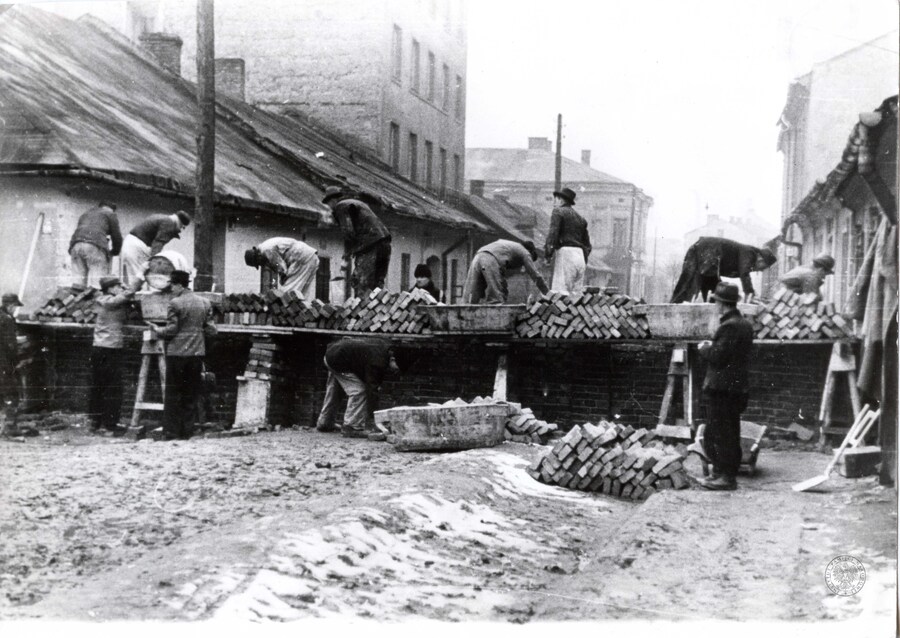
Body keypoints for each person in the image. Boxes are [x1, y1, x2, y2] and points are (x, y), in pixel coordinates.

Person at [696, 282, 754, 491]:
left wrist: (704, 349)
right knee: (725, 431)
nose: (715, 306)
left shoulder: (730, 326)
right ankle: (720, 473)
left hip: (723, 389)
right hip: (734, 389)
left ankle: (726, 477)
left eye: (716, 302)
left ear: (722, 304)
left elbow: (719, 357)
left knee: (723, 433)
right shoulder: (743, 323)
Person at [148, 270, 216, 440]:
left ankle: (171, 432)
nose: (171, 289)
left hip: (177, 353)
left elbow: (171, 330)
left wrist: (158, 330)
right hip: (196, 353)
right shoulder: (205, 302)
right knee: (190, 394)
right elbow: (211, 330)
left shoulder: (175, 303)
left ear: (179, 284)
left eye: (172, 285)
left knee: (173, 394)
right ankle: (187, 432)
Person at [89, 276, 142, 436]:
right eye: (118, 285)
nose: (121, 288)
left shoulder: (109, 301)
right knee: (113, 387)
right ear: (110, 289)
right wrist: (138, 277)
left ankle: (96, 423)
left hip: (100, 348)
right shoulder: (107, 301)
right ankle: (109, 425)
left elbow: (128, 305)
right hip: (109, 349)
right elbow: (128, 293)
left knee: (99, 386)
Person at [316, 337, 399, 438]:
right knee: (359, 391)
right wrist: (375, 417)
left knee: (335, 390)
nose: (393, 371)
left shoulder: (383, 346)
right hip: (338, 360)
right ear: (393, 359)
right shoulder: (378, 361)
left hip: (332, 354)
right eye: (396, 369)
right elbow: (371, 388)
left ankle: (325, 422)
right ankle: (351, 427)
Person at [322, 186, 392, 297]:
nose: (330, 208)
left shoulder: (340, 206)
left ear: (332, 200)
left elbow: (348, 232)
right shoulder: (356, 203)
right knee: (377, 285)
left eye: (328, 204)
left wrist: (347, 254)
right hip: (385, 243)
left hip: (370, 245)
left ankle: (360, 313)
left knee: (360, 283)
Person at [670, 237, 776, 303]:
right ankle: (677, 305)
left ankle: (677, 303)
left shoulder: (748, 253)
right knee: (694, 281)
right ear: (761, 259)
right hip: (708, 252)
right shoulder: (749, 253)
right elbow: (744, 274)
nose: (760, 271)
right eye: (762, 268)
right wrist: (750, 293)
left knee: (693, 281)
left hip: (704, 251)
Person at [463, 239, 549, 304]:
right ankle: (496, 325)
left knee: (472, 295)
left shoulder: (510, 247)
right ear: (531, 252)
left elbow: (501, 277)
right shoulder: (525, 253)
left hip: (478, 256)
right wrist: (548, 293)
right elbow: (535, 275)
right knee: (495, 299)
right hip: (490, 259)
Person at [121, 210, 192, 284]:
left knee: (139, 276)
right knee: (138, 277)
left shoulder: (163, 218)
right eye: (182, 227)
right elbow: (158, 244)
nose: (181, 230)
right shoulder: (169, 223)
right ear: (179, 222)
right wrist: (155, 262)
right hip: (136, 248)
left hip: (132, 245)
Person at [544, 187, 591, 294]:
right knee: (576, 297)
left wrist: (548, 255)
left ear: (562, 200)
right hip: (580, 256)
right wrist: (584, 258)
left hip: (566, 255)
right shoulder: (581, 219)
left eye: (556, 199)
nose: (555, 201)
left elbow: (553, 235)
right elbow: (588, 245)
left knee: (561, 294)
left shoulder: (558, 212)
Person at [69, 202, 123, 288]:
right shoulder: (110, 213)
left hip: (76, 245)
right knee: (98, 283)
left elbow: (78, 231)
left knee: (78, 284)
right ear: (111, 209)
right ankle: (98, 301)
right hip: (95, 246)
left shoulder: (86, 214)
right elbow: (116, 236)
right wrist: (115, 251)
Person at [244, 238, 320, 299]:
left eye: (259, 263)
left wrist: (281, 282)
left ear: (258, 256)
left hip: (301, 257)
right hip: (311, 257)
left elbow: (282, 268)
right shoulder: (265, 247)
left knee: (288, 295)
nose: (261, 265)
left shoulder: (267, 251)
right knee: (301, 295)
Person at [0, 293, 22, 436]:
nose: (15, 310)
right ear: (10, 305)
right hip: (4, 363)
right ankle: (10, 428)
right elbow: (10, 345)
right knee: (11, 394)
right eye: (15, 307)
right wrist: (17, 361)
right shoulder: (7, 320)